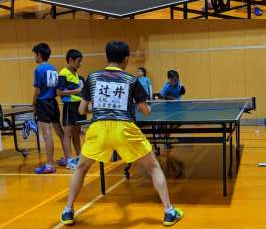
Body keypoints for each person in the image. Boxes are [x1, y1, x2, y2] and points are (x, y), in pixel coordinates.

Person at [59, 41, 183, 226]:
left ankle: (68, 211)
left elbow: (82, 110)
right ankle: (169, 212)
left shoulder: (92, 77)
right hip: (124, 129)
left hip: (99, 129)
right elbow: (145, 111)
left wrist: (101, 108)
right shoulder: (131, 80)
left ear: (107, 57)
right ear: (126, 59)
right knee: (153, 167)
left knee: (81, 168)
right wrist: (146, 107)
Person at [32, 43, 65, 174]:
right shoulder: (53, 68)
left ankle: (50, 165)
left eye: (35, 54)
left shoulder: (39, 69)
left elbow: (37, 91)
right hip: (53, 103)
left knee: (47, 135)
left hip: (43, 103)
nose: (34, 57)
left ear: (39, 55)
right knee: (60, 132)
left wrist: (33, 104)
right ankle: (68, 158)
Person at [56, 49, 86, 170]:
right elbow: (59, 92)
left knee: (76, 134)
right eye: (78, 61)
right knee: (67, 134)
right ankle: (69, 161)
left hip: (79, 106)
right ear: (70, 60)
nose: (80, 64)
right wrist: (76, 91)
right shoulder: (63, 74)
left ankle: (79, 158)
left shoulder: (77, 75)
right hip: (69, 106)